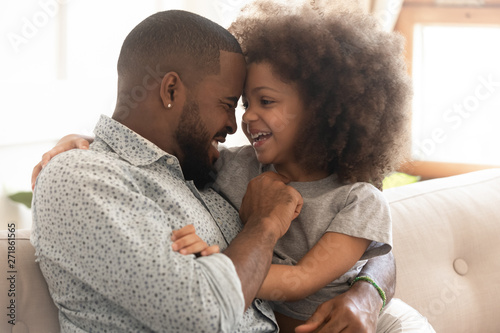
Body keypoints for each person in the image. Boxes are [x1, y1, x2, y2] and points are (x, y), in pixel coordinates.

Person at [31, 5, 434, 333]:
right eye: (231, 103)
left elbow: (366, 246)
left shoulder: (199, 171)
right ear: (171, 90)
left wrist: (367, 292)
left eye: (263, 102)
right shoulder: (82, 177)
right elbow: (204, 314)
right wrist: (266, 223)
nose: (235, 123)